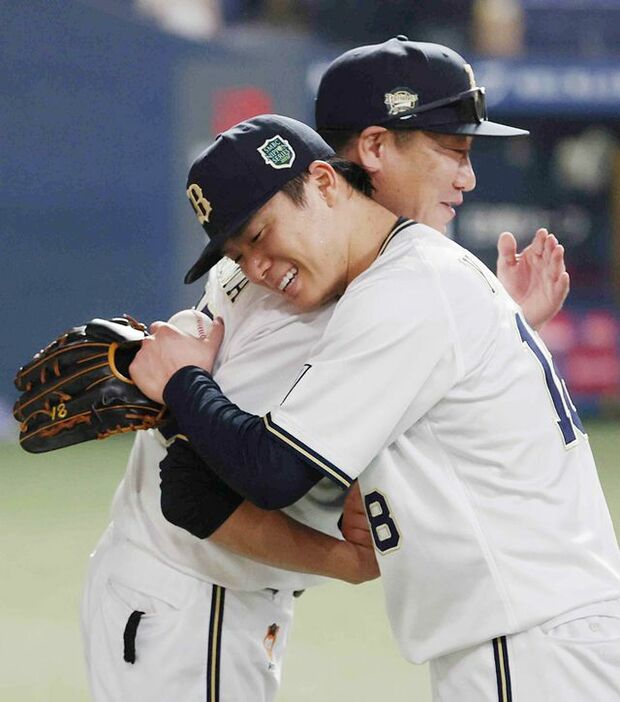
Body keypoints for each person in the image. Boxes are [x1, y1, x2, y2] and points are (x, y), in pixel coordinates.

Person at [82, 38, 570, 702]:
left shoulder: (369, 278)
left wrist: (497, 325)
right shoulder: (313, 290)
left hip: (205, 599)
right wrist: (345, 561)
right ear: (364, 154)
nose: (467, 175)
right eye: (451, 150)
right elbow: (196, 485)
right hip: (190, 599)